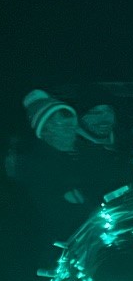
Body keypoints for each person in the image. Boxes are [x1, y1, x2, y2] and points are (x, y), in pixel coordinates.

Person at [20, 90, 92, 242]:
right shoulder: (36, 165)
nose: (72, 130)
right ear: (44, 129)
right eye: (64, 126)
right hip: (63, 246)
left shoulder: (85, 152)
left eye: (73, 124)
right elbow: (52, 212)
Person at [72, 89, 130, 199]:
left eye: (109, 111)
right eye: (95, 112)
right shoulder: (74, 153)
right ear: (79, 117)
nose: (105, 118)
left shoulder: (128, 141)